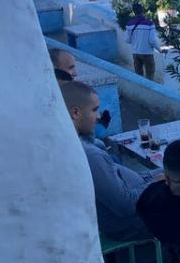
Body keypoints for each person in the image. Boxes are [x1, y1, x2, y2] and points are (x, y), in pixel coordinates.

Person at [61, 81, 153, 242]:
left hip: (136, 187)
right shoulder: (91, 155)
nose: (98, 116)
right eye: (95, 110)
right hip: (131, 222)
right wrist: (155, 185)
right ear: (75, 113)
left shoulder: (80, 144)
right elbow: (125, 205)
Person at [125, 3, 162, 80]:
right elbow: (152, 40)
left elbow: (127, 40)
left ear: (134, 12)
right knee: (150, 76)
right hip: (147, 53)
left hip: (135, 53)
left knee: (139, 77)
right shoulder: (149, 24)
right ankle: (149, 91)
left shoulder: (129, 24)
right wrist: (160, 50)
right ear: (143, 11)